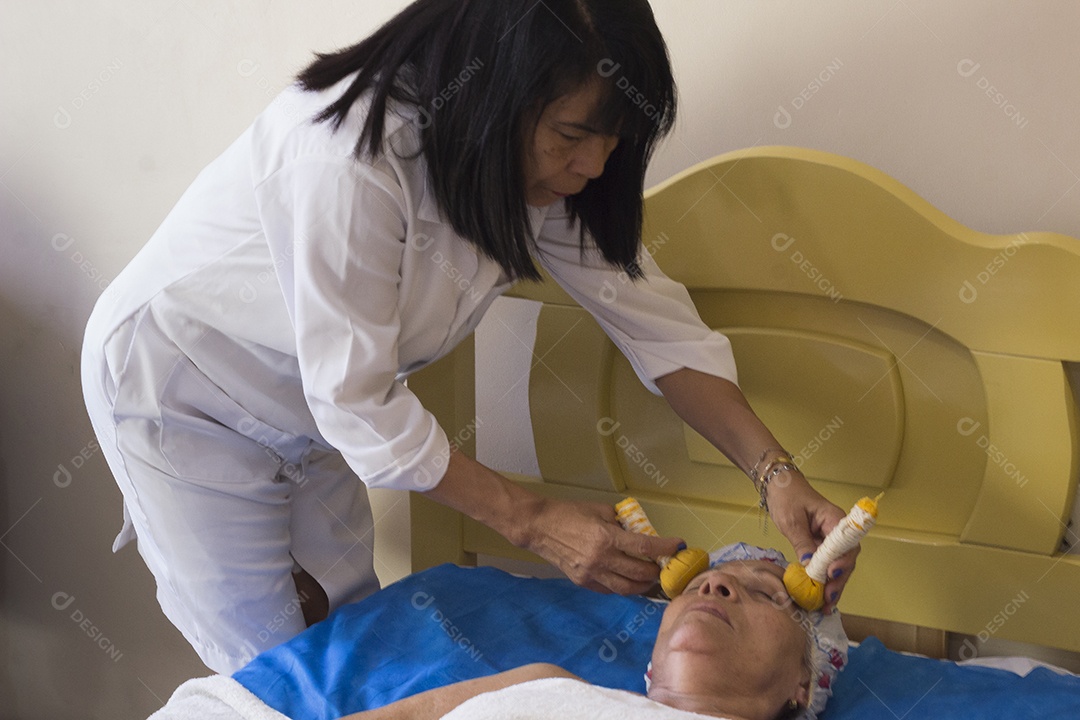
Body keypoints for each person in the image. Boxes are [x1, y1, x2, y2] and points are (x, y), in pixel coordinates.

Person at [82, 0, 854, 674]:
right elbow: (359, 400)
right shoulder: (344, 158)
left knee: (357, 636)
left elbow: (658, 328)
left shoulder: (539, 174)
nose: (593, 165)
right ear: (495, 95)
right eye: (571, 136)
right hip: (182, 393)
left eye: (615, 140)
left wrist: (774, 473)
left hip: (322, 413)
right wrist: (532, 523)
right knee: (276, 667)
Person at [336, 544, 847, 720]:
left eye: (763, 593)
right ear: (652, 665)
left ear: (802, 684)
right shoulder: (541, 683)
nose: (713, 583)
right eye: (700, 585)